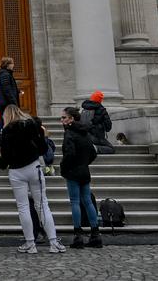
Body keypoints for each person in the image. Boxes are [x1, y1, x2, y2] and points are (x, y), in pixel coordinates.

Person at [0, 104, 63, 254]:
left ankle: (30, 243)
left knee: (23, 207)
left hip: (16, 171)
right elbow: (43, 148)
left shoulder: (6, 131)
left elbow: (5, 156)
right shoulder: (32, 125)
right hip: (34, 167)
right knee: (42, 205)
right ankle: (53, 242)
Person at [60, 106, 103, 248]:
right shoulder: (84, 132)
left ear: (71, 119)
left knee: (75, 201)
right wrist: (84, 163)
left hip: (73, 171)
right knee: (88, 201)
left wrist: (64, 167)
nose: (62, 120)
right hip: (84, 170)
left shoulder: (70, 133)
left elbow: (69, 154)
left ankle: (78, 236)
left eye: (64, 117)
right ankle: (95, 234)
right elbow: (93, 152)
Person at [80, 90, 115, 155]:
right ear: (100, 100)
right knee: (111, 149)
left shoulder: (84, 109)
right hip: (97, 137)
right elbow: (108, 127)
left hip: (85, 136)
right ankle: (95, 148)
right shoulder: (101, 110)